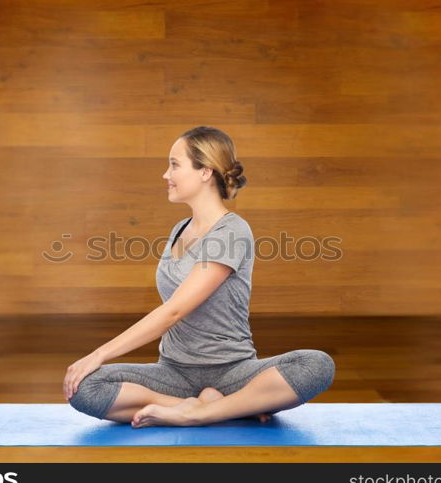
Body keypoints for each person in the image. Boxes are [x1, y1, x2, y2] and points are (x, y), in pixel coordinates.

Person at [64, 126, 335, 428]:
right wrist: (94, 364)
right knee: (85, 387)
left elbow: (175, 310)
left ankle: (200, 413)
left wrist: (99, 353)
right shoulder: (180, 228)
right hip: (174, 373)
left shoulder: (232, 231)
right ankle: (213, 407)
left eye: (175, 164)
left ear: (205, 172)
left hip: (234, 372)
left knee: (316, 365)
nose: (166, 175)